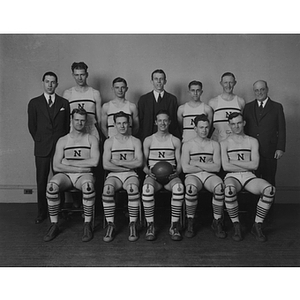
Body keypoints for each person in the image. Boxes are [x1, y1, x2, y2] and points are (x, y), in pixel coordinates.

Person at [44, 108, 100, 242]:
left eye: (82, 120)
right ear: (71, 120)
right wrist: (81, 168)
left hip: (83, 177)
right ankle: (54, 224)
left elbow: (95, 162)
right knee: (51, 186)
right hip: (67, 176)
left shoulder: (91, 139)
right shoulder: (63, 140)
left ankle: (87, 224)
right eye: (77, 120)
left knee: (88, 186)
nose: (79, 123)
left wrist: (68, 162)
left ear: (86, 122)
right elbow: (56, 166)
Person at [220, 112, 276, 242]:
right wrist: (246, 165)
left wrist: (232, 162)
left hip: (249, 176)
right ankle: (236, 225)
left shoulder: (252, 141)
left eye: (239, 123)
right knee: (229, 190)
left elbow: (255, 165)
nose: (236, 126)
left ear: (244, 123)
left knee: (270, 190)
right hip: (232, 176)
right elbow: (225, 167)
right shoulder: (224, 143)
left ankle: (257, 225)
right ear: (229, 125)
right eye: (233, 124)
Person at [28, 71, 70, 224]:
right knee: (41, 180)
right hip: (42, 147)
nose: (50, 85)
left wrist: (61, 144)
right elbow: (32, 126)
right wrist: (40, 140)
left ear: (57, 84)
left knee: (61, 179)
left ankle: (61, 210)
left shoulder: (64, 103)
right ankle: (42, 212)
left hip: (59, 147)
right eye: (47, 82)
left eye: (53, 82)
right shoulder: (34, 103)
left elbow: (66, 127)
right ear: (43, 83)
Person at [142, 110, 184, 241]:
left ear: (169, 122)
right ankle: (150, 225)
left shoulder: (175, 141)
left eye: (165, 120)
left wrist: (176, 173)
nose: (163, 123)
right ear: (155, 122)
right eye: (160, 120)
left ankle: (174, 226)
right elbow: (143, 165)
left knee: (179, 188)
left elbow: (180, 164)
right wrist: (149, 173)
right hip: (154, 176)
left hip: (170, 176)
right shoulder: (148, 140)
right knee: (146, 189)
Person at [181, 114, 226, 239]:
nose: (204, 130)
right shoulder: (187, 145)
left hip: (209, 176)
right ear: (195, 129)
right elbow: (185, 168)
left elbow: (217, 167)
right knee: (191, 188)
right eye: (201, 127)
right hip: (192, 176)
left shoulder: (214, 144)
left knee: (220, 187)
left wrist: (195, 162)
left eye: (206, 127)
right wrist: (207, 165)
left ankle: (217, 221)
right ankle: (190, 220)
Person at [102, 111, 143, 242]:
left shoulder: (135, 141)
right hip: (114, 175)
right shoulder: (109, 142)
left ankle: (132, 223)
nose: (122, 126)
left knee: (132, 188)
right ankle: (110, 224)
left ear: (129, 123)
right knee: (107, 190)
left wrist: (119, 162)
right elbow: (106, 165)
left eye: (125, 123)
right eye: (119, 123)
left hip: (131, 175)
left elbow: (139, 163)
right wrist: (128, 164)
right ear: (114, 124)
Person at [243, 80, 286, 186]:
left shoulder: (277, 107)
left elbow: (281, 129)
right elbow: (245, 129)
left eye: (262, 89)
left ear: (267, 89)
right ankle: (254, 203)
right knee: (253, 181)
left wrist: (280, 148)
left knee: (269, 180)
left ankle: (270, 203)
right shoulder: (248, 107)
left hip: (270, 151)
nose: (259, 92)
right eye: (256, 90)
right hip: (252, 152)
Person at [137, 69, 180, 142]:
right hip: (147, 139)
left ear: (165, 81)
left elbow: (175, 122)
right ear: (152, 81)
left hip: (167, 139)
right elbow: (140, 122)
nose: (159, 81)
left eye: (161, 79)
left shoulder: (172, 99)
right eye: (156, 79)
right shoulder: (143, 100)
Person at [63, 62, 102, 140]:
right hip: (73, 133)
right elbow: (65, 119)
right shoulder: (67, 94)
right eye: (77, 75)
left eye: (82, 75)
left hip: (91, 132)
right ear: (73, 75)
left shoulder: (95, 93)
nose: (79, 78)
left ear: (87, 74)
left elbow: (100, 119)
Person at [209, 72, 245, 142]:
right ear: (221, 83)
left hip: (235, 143)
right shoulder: (213, 102)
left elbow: (242, 125)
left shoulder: (241, 101)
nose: (228, 85)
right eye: (225, 82)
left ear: (235, 83)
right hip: (218, 143)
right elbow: (209, 126)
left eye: (231, 82)